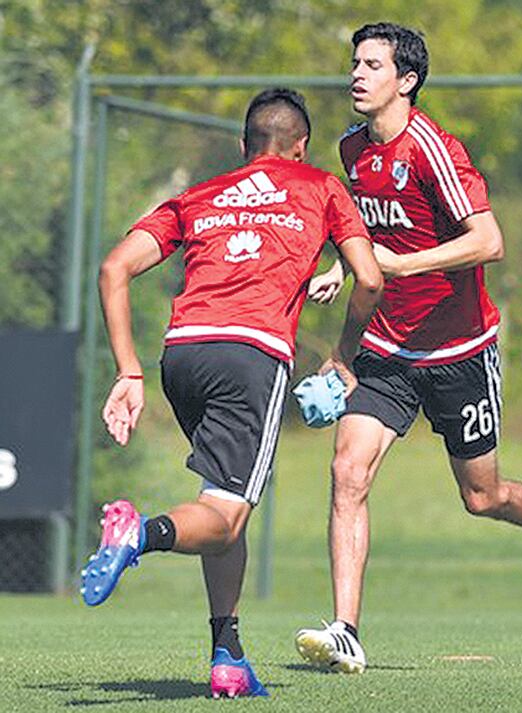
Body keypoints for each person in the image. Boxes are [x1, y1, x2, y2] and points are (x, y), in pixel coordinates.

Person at [294, 23, 522, 673]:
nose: (357, 74)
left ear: (407, 81)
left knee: (481, 495)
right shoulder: (353, 149)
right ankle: (346, 629)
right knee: (348, 471)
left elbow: (488, 240)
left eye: (373, 65)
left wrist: (402, 266)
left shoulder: (434, 150)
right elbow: (365, 231)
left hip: (460, 350)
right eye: (355, 63)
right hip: (386, 350)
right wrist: (342, 267)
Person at [82, 87, 383, 698]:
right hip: (251, 356)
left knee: (224, 501)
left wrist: (128, 371)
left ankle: (228, 653)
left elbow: (114, 268)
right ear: (300, 146)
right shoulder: (321, 187)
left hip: (182, 355)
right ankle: (138, 533)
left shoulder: (198, 197)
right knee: (223, 516)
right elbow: (371, 278)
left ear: (243, 146)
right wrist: (342, 356)